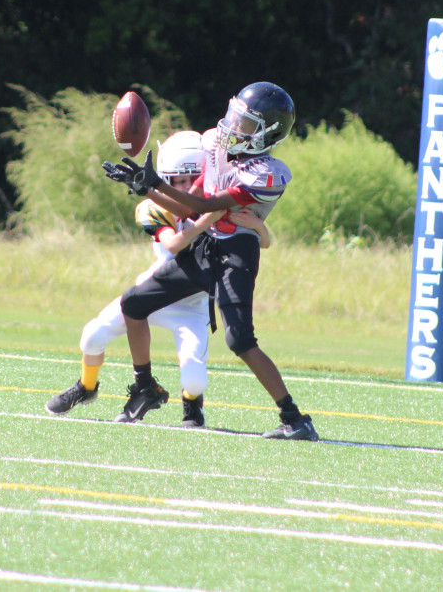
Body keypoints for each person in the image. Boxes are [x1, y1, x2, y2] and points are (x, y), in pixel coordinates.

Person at [103, 81, 317, 441]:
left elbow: (206, 206)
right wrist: (149, 190)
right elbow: (189, 206)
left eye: (246, 124)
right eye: (235, 116)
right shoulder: (218, 149)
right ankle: (145, 388)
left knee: (240, 341)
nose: (233, 127)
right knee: (133, 303)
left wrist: (154, 185)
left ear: (267, 134)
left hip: (236, 251)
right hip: (205, 246)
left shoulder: (266, 173)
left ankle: (295, 419)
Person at [47, 130, 271, 428]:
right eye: (176, 180)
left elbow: (262, 242)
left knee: (195, 378)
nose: (184, 186)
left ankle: (192, 403)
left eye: (191, 178)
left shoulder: (221, 200)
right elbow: (174, 244)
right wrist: (209, 216)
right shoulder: (158, 207)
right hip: (155, 290)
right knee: (91, 336)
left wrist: (259, 226)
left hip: (192, 306)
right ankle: (87, 387)